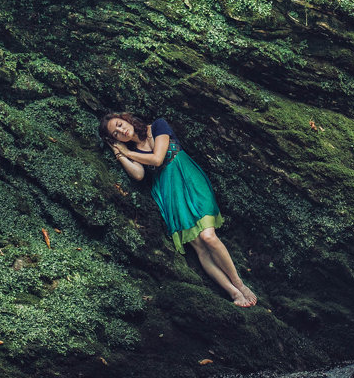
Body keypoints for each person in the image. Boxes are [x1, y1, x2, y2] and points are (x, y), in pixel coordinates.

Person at [99, 112, 258, 308]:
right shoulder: (133, 150)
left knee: (208, 236)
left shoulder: (157, 126)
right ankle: (233, 292)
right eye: (116, 134)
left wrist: (127, 153)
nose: (122, 131)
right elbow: (138, 175)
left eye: (120, 125)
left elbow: (157, 159)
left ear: (125, 118)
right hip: (169, 193)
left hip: (188, 178)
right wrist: (119, 153)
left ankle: (240, 284)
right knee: (199, 246)